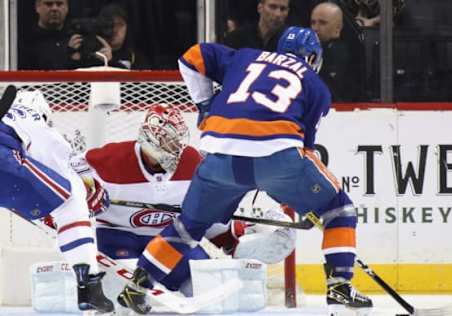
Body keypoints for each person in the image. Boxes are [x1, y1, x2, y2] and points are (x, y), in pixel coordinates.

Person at [118, 26, 373, 315]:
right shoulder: (316, 85)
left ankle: (137, 286)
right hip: (276, 157)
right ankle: (339, 283)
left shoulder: (246, 57)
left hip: (219, 157)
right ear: (313, 57)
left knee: (187, 227)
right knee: (339, 210)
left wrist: (204, 105)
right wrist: (288, 193)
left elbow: (191, 57)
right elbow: (304, 150)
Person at [69, 105, 296, 311]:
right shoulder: (112, 158)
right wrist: (85, 190)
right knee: (116, 296)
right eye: (169, 140)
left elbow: (201, 216)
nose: (176, 146)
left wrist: (233, 239)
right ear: (150, 138)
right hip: (115, 237)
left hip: (170, 241)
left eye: (178, 139)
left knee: (208, 287)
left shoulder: (192, 162)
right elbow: (67, 172)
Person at [0, 88, 114, 313]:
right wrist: (87, 189)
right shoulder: (27, 115)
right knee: (71, 198)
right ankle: (89, 285)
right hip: (4, 166)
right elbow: (61, 164)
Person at [18, 0, 113, 70]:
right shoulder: (27, 40)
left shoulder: (78, 36)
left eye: (59, 4)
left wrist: (107, 60)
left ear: (67, 8)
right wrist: (67, 55)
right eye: (49, 4)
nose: (54, 8)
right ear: (37, 7)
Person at [311, 1, 366, 102]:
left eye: (322, 23)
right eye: (313, 23)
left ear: (338, 28)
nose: (315, 28)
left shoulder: (342, 56)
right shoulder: (308, 52)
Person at [96, 3, 151, 69]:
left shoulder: (135, 58)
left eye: (120, 25)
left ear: (127, 27)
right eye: (110, 25)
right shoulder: (95, 55)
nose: (115, 30)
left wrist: (110, 62)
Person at [223, 0, 289, 51]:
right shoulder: (237, 38)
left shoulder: (291, 42)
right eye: (272, 7)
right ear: (260, 8)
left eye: (283, 9)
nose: (278, 14)